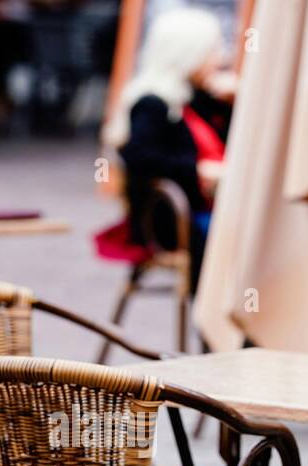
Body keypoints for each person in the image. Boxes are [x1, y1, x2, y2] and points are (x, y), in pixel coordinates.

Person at [103, 6, 233, 292]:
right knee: (241, 245)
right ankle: (226, 329)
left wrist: (233, 99)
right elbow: (139, 158)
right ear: (189, 54)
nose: (220, 59)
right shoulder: (153, 103)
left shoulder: (196, 98)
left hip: (199, 210)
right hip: (169, 218)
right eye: (213, 51)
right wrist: (198, 170)